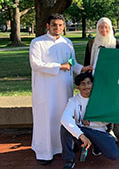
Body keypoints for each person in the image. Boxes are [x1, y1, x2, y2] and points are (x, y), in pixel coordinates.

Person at [29, 14, 92, 165]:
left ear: (64, 26)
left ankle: (66, 146)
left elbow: (72, 63)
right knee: (46, 119)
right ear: (47, 26)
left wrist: (82, 69)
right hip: (45, 90)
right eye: (54, 25)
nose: (57, 28)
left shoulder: (68, 43)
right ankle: (45, 153)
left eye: (60, 25)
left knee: (65, 117)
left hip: (64, 88)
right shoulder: (37, 43)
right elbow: (35, 64)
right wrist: (59, 67)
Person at [60, 72, 119, 169]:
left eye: (89, 83)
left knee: (114, 155)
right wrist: (81, 135)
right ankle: (69, 160)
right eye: (83, 84)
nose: (86, 86)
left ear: (92, 84)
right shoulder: (73, 101)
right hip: (83, 131)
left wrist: (92, 122)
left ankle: (97, 146)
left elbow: (108, 118)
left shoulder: (99, 98)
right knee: (64, 127)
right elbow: (64, 118)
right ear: (78, 87)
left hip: (98, 131)